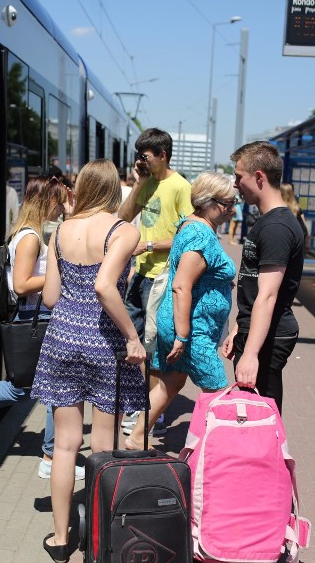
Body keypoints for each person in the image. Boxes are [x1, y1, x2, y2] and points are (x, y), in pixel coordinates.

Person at [31, 159, 146, 562]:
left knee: (65, 445)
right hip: (104, 342)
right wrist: (133, 337)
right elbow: (104, 286)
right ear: (114, 189)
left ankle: (61, 540)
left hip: (61, 336)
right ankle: (100, 538)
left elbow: (48, 298)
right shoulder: (123, 231)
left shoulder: (60, 230)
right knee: (103, 445)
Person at [124, 172, 238, 450]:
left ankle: (137, 437)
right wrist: (184, 335)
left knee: (171, 381)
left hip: (184, 325)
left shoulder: (193, 225)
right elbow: (181, 286)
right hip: (190, 329)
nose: (234, 209)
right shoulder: (200, 233)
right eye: (229, 203)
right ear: (211, 203)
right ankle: (222, 454)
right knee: (218, 391)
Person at [5, 175, 82, 480]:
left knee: (43, 388)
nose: (62, 206)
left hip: (33, 317)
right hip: (33, 318)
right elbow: (21, 284)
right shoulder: (30, 237)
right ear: (47, 200)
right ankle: (51, 455)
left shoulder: (29, 233)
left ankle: (51, 454)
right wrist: (56, 275)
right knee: (45, 388)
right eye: (60, 200)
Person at [118, 128, 194, 435]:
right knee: (132, 342)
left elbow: (187, 233)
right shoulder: (147, 182)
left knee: (153, 345)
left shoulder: (180, 187)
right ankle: (136, 404)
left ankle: (150, 411)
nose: (140, 161)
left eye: (145, 156)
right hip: (140, 275)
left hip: (163, 277)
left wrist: (149, 246)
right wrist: (138, 183)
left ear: (162, 155)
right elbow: (123, 217)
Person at [221, 141, 304, 415]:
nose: (235, 184)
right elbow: (256, 289)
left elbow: (267, 295)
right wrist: (238, 328)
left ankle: (269, 460)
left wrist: (252, 353)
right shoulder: (270, 222)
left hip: (269, 336)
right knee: (259, 413)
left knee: (260, 416)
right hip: (258, 331)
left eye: (238, 177)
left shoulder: (277, 227)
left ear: (259, 177)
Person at [281, 183, 309, 250]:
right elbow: (304, 225)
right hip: (298, 238)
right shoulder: (297, 207)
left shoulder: (279, 207)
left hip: (285, 238)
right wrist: (307, 242)